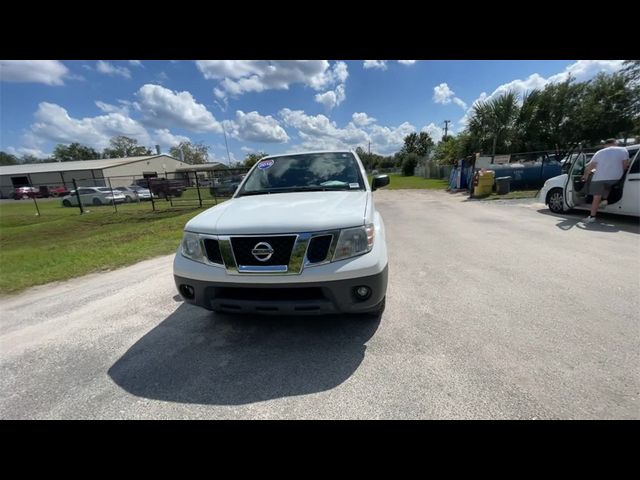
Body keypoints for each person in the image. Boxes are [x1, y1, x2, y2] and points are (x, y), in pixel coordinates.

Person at [581, 139, 630, 224]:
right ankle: (605, 199)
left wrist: (585, 176)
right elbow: (625, 165)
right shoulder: (623, 150)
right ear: (615, 143)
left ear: (606, 145)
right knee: (608, 185)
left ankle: (592, 217)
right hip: (616, 178)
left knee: (596, 197)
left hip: (599, 178)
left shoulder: (600, 152)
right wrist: (621, 174)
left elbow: (590, 167)